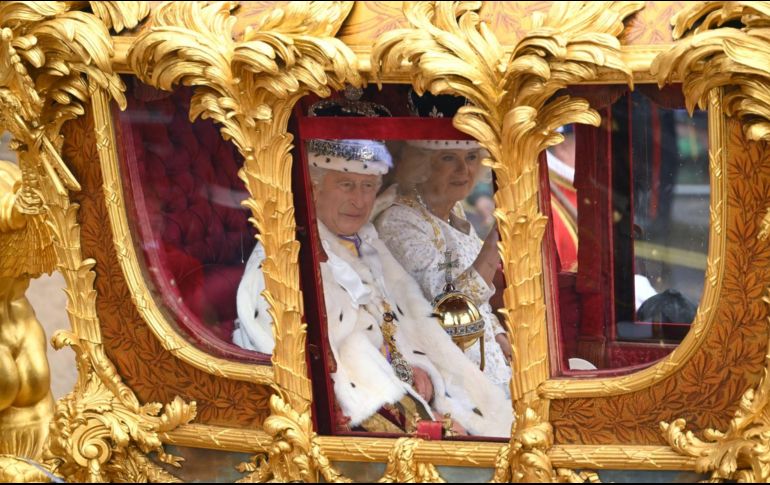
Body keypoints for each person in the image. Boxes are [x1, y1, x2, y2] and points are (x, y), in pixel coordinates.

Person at [234, 138, 512, 437]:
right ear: (313, 189)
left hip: (406, 386)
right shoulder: (288, 256)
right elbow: (338, 364)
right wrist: (422, 405)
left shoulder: (366, 241)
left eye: (368, 187)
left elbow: (404, 327)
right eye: (346, 185)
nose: (360, 201)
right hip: (357, 402)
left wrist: (420, 367)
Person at [374, 139, 513, 393]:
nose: (464, 170)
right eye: (449, 158)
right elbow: (452, 304)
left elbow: (479, 298)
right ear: (422, 164)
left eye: (471, 157)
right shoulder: (399, 222)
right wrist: (496, 241)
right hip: (448, 382)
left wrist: (500, 336)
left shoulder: (452, 210)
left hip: (488, 369)